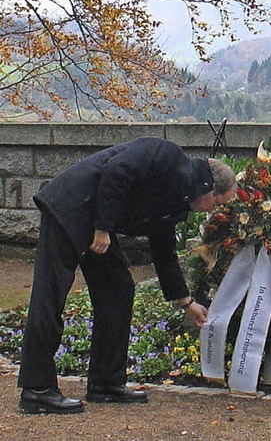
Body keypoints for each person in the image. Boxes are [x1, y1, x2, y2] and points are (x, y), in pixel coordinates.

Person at [17, 137, 237, 415]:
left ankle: (106, 384)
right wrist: (102, 228)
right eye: (218, 202)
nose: (214, 209)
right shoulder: (167, 156)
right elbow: (116, 171)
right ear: (209, 187)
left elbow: (164, 250)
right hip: (70, 206)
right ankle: (36, 390)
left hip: (96, 221)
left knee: (118, 290)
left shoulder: (177, 204)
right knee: (51, 293)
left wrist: (186, 302)